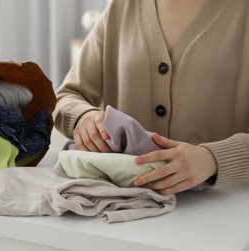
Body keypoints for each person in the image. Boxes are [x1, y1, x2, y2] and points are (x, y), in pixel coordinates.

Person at [53, 0, 249, 195]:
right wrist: (83, 116)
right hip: (121, 206)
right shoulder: (122, 7)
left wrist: (214, 159)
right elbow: (67, 96)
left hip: (225, 209)